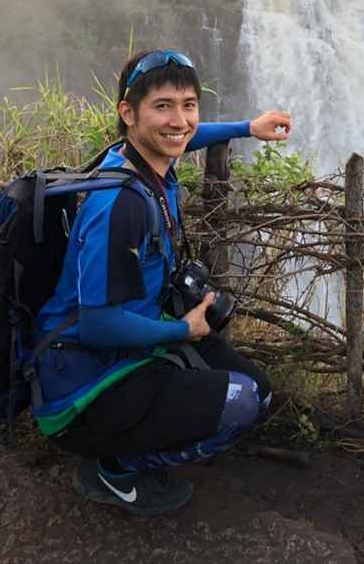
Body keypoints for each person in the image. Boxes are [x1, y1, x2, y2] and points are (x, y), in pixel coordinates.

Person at [32, 49, 291, 517]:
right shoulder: (120, 205)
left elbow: (184, 136)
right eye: (162, 106)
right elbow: (98, 325)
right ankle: (114, 469)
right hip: (83, 384)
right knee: (241, 404)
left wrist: (245, 128)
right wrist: (181, 331)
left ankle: (143, 422)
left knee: (263, 392)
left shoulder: (139, 160)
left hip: (134, 344)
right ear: (128, 114)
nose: (179, 121)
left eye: (188, 105)